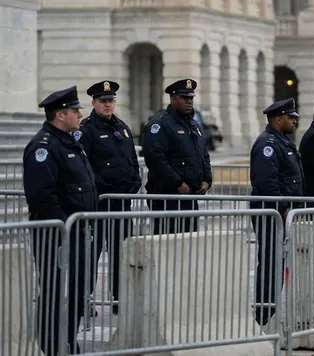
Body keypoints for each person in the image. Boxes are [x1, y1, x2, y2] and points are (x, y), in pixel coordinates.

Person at [23, 86, 98, 355]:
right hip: (56, 234)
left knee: (77, 290)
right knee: (55, 291)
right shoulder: (43, 147)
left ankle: (67, 341)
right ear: (60, 114)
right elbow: (41, 196)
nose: (79, 114)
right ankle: (52, 344)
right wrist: (65, 224)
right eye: (74, 110)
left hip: (75, 231)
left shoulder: (69, 141)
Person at [76, 80, 142, 314]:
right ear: (93, 102)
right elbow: (84, 167)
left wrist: (135, 183)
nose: (108, 104)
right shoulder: (86, 130)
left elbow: (132, 160)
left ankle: (119, 298)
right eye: (103, 101)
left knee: (121, 252)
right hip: (100, 204)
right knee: (91, 255)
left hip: (122, 204)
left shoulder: (122, 127)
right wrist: (106, 190)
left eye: (111, 100)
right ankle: (84, 300)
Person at [249, 97, 304, 325]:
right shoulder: (267, 144)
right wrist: (282, 209)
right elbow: (267, 183)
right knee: (270, 264)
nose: (294, 122)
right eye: (291, 118)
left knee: (278, 265)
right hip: (271, 213)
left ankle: (270, 314)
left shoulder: (283, 141)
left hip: (283, 214)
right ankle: (263, 315)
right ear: (277, 119)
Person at [142, 79, 213, 234]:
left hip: (190, 196)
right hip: (167, 197)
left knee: (188, 244)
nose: (189, 102)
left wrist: (207, 180)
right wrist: (178, 183)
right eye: (184, 98)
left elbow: (204, 155)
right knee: (167, 245)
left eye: (191, 98)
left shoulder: (194, 125)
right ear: (173, 99)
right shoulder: (160, 124)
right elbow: (155, 159)